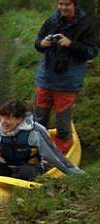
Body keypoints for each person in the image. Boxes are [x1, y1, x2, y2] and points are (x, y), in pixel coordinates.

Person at [0, 99, 83, 181]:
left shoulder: (35, 132)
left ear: (19, 119)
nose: (3, 121)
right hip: (3, 164)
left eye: (8, 118)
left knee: (25, 174)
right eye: (2, 116)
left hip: (28, 166)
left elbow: (54, 157)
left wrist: (76, 173)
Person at [34, 0, 98, 153]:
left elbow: (92, 52)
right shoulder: (51, 20)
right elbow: (37, 42)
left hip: (67, 83)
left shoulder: (86, 24)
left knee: (63, 123)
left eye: (67, 4)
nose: (63, 8)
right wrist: (42, 43)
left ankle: (62, 155)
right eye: (60, 4)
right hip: (45, 79)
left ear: (74, 5)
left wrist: (71, 44)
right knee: (38, 120)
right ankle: (36, 150)